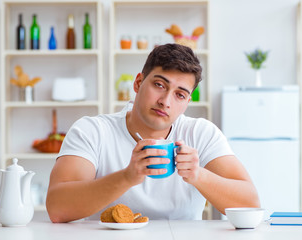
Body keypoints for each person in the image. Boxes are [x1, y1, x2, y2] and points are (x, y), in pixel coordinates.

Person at [46, 43, 260, 223]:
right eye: (159, 85)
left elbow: (250, 205)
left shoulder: (200, 133)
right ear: (138, 83)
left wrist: (199, 175)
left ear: (187, 102)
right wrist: (126, 177)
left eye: (180, 94)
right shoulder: (93, 131)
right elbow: (57, 208)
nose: (165, 101)